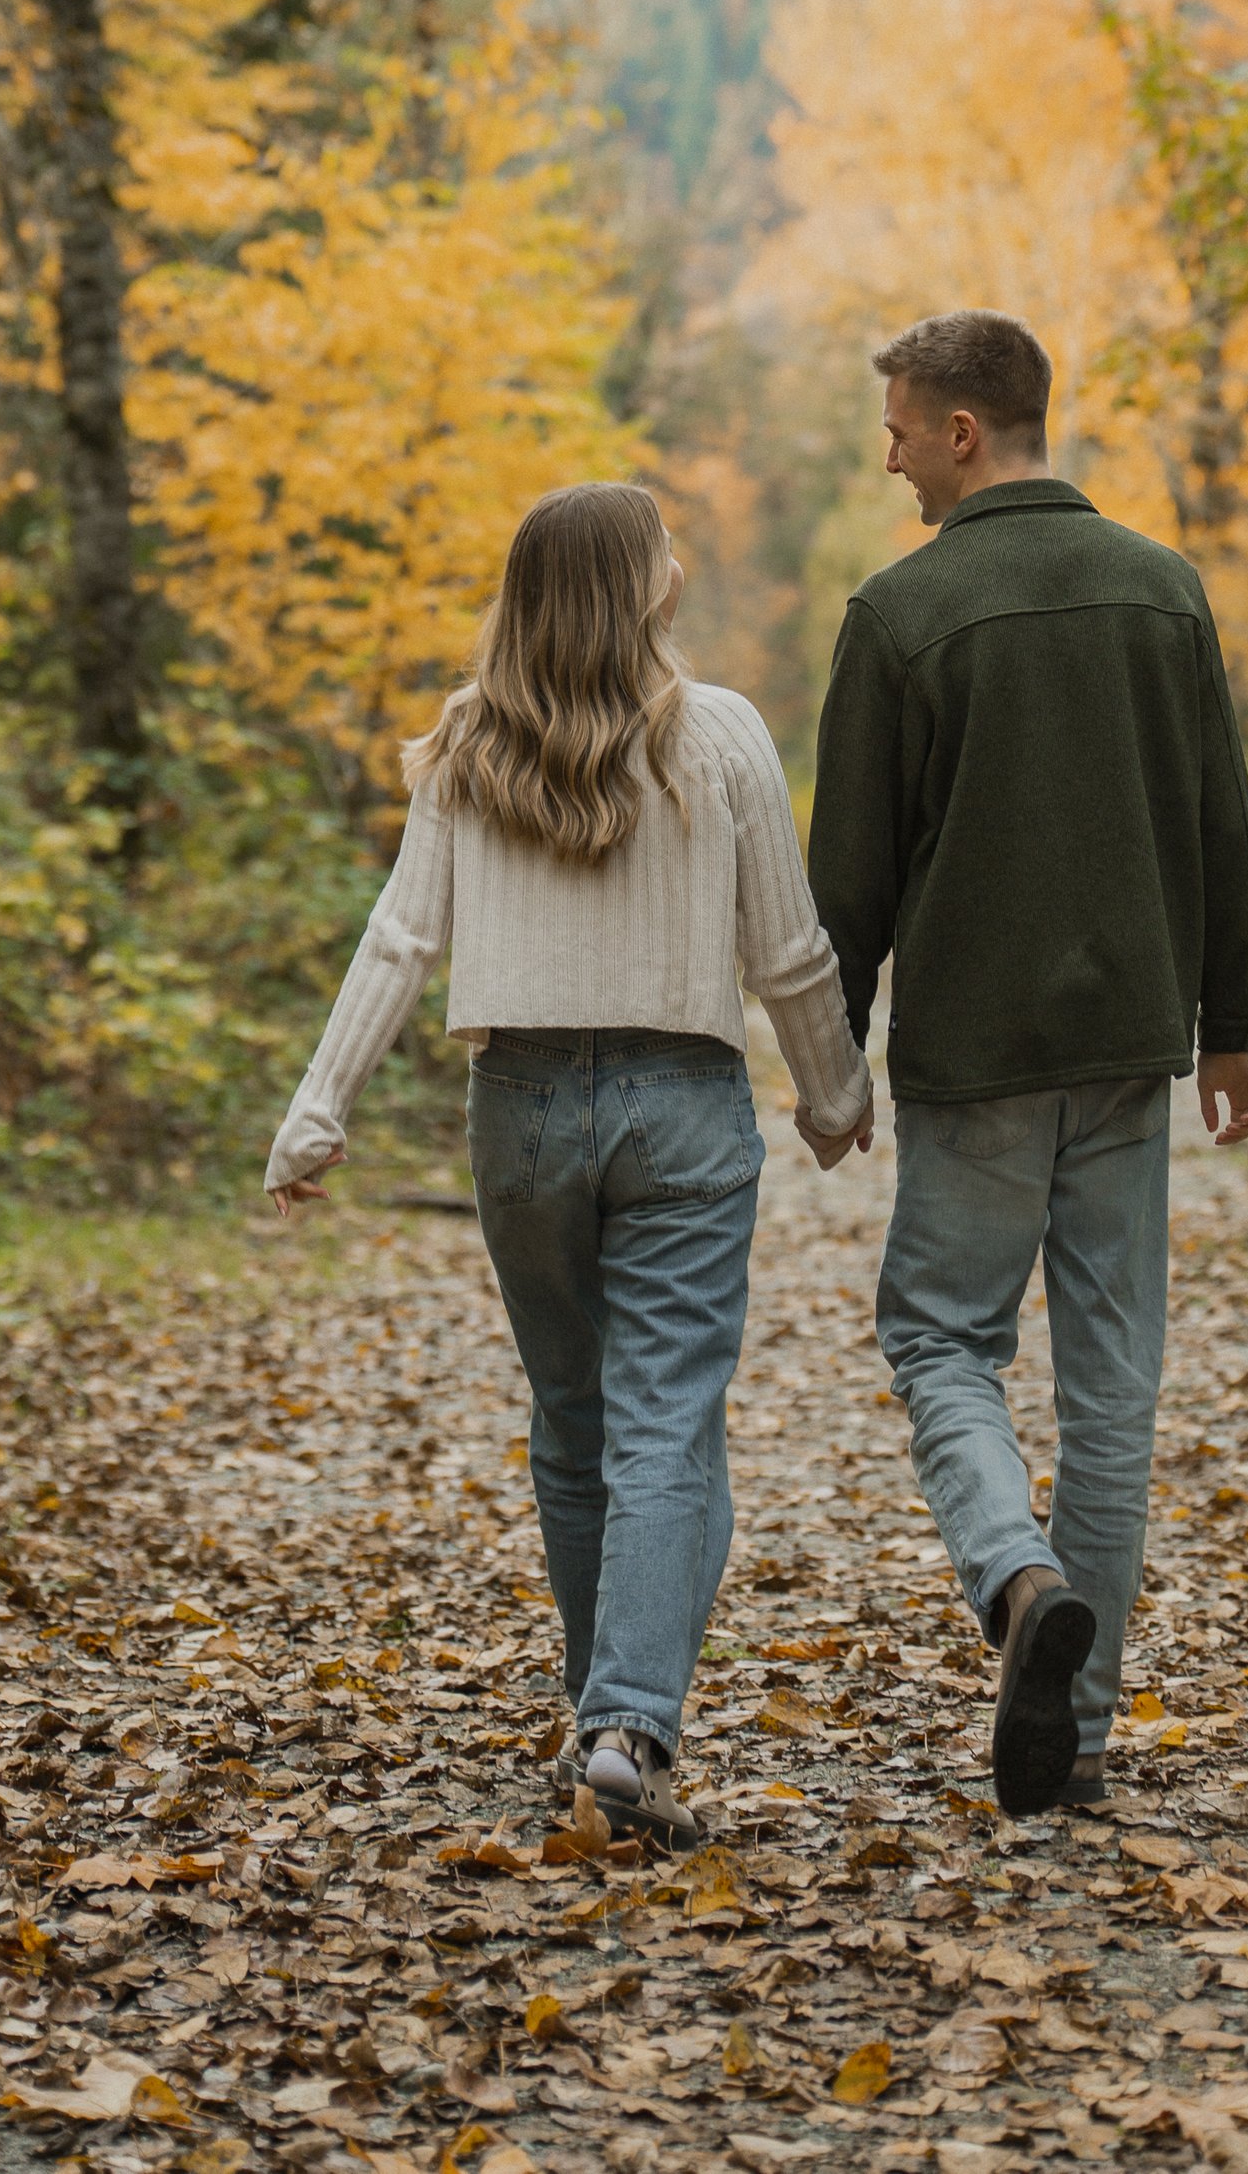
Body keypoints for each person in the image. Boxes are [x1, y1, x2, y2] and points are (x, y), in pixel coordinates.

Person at [264, 482, 872, 1852]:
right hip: (681, 1110)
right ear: (631, 584)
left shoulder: (472, 745)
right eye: (665, 546)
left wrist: (317, 1112)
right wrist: (836, 1092)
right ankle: (628, 1725)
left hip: (522, 1106)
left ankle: (608, 1710)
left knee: (574, 1416)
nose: (684, 560)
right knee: (668, 1419)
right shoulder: (721, 737)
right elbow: (789, 950)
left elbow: (397, 941)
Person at [805, 310, 1248, 1819]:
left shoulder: (898, 612)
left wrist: (837, 1054)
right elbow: (1221, 820)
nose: (886, 457)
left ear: (961, 431)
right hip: (1131, 1049)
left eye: (897, 429)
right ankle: (1072, 1736)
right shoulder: (1166, 589)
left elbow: (848, 878)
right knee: (1114, 1378)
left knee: (943, 1339)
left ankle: (1016, 1583)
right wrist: (1235, 1021)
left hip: (974, 1059)